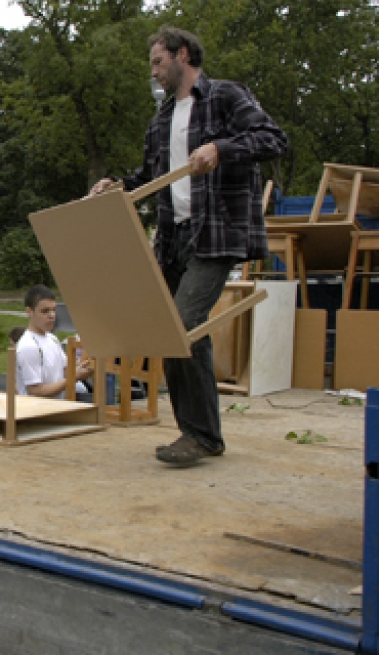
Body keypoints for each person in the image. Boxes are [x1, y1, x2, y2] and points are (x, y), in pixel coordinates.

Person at [90, 26, 288, 465]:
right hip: (173, 237)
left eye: (159, 62)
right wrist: (117, 186)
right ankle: (205, 435)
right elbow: (149, 176)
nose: (155, 72)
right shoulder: (161, 119)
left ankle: (196, 436)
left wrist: (221, 147)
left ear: (182, 55)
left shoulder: (227, 97)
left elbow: (273, 139)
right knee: (175, 332)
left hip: (216, 234)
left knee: (181, 325)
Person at [16, 285, 93, 399]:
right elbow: (36, 391)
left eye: (53, 310)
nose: (52, 315)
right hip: (37, 413)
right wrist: (74, 377)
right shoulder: (28, 346)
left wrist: (86, 367)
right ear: (29, 311)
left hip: (56, 409)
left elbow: (66, 371)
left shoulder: (52, 339)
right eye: (45, 311)